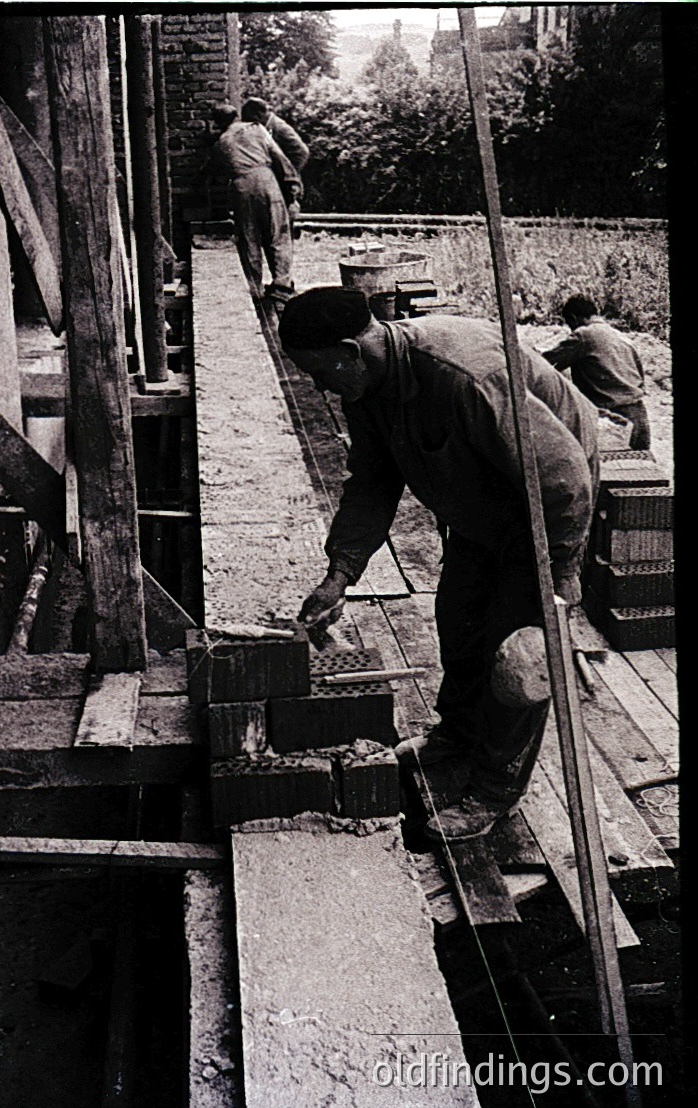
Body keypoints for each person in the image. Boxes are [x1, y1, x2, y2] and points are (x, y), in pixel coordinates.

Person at [279, 286, 598, 840]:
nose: (318, 387)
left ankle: (493, 790)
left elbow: (564, 481)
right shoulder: (368, 388)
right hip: (481, 504)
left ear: (351, 351)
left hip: (545, 507)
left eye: (319, 372)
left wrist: (561, 586)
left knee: (517, 660)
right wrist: (340, 575)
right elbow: (373, 483)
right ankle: (455, 736)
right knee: (459, 619)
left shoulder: (466, 376)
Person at [206, 102, 301, 301]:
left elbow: (214, 173)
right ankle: (282, 287)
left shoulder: (221, 142)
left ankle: (255, 289)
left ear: (218, 123)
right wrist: (293, 186)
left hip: (241, 187)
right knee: (279, 234)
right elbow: (279, 157)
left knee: (249, 238)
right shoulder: (257, 129)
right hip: (267, 181)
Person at [541, 295, 654, 452]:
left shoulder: (584, 335)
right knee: (640, 469)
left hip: (612, 419)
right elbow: (640, 379)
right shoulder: (623, 338)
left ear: (573, 318)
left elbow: (545, 361)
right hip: (639, 415)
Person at [241, 97, 308, 240]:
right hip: (271, 181)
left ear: (258, 115)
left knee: (283, 224)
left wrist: (288, 175)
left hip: (283, 183)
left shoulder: (279, 127)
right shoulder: (264, 127)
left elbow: (302, 152)